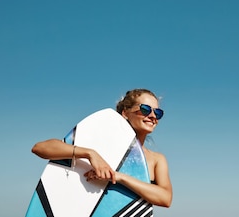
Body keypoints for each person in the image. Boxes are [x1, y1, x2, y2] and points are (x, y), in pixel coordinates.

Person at [31, 88, 173, 208]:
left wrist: (119, 177)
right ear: (125, 113)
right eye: (145, 109)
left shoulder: (156, 159)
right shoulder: (100, 145)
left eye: (158, 112)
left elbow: (165, 199)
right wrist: (89, 153)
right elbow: (40, 148)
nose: (153, 116)